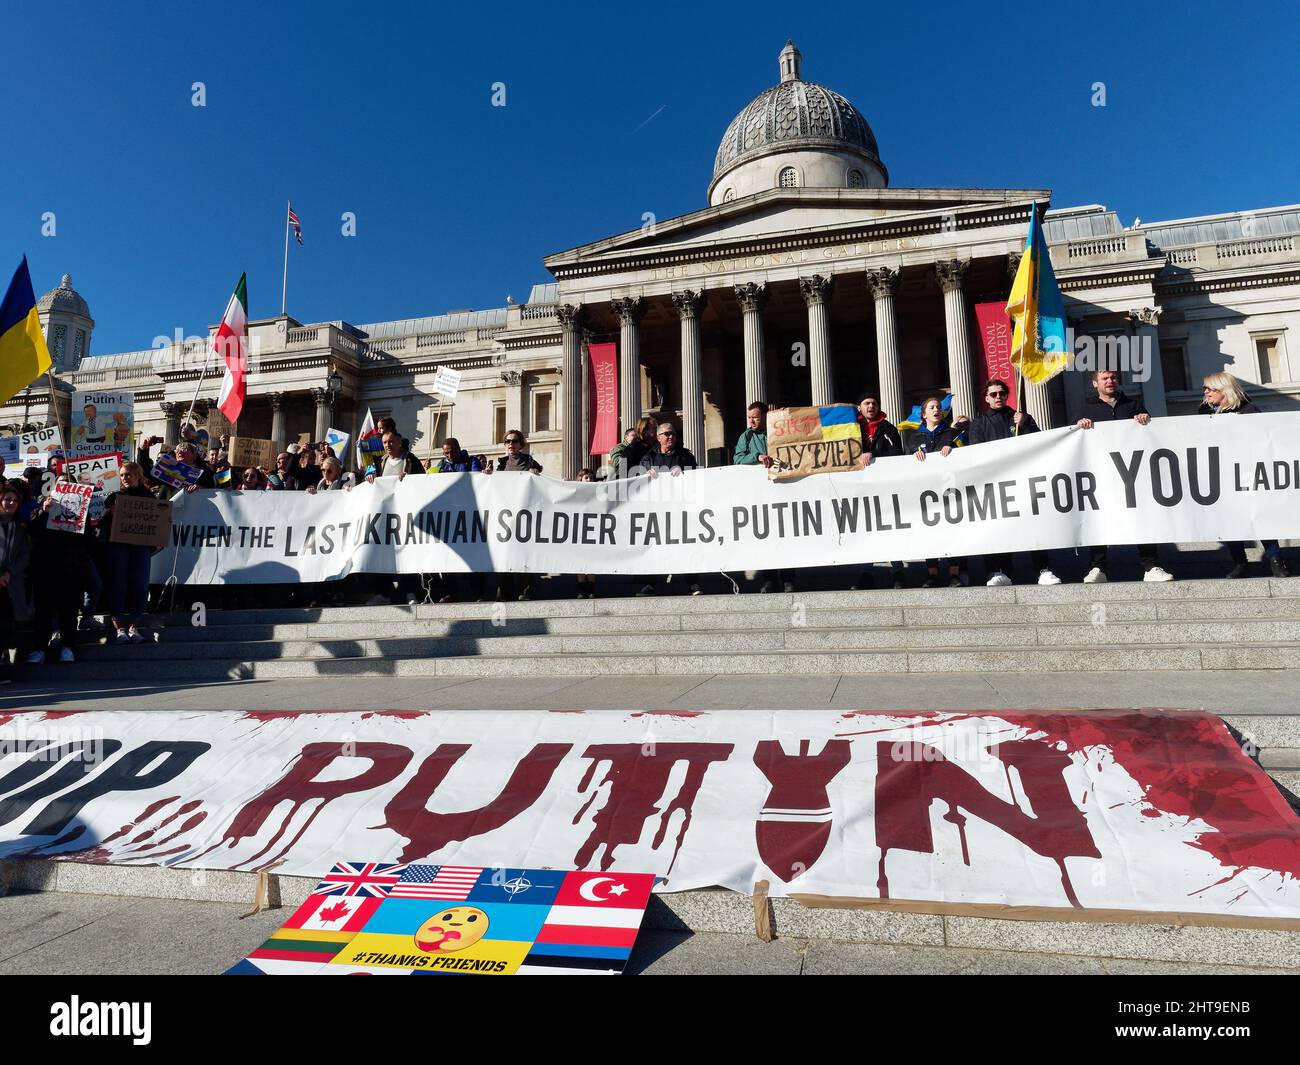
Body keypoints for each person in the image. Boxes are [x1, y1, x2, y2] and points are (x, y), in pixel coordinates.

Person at [1075, 369, 1174, 583]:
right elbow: (1076, 441)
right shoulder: (1086, 409)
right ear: (1095, 384)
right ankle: (1097, 568)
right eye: (1104, 378)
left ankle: (1151, 566)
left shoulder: (1134, 405)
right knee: (1099, 519)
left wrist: (1145, 419)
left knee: (1143, 516)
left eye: (1113, 378)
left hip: (1133, 474)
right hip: (1101, 474)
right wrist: (1080, 427)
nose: (1110, 381)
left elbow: (1150, 435)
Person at [967, 378, 1061, 586]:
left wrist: (1025, 424)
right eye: (993, 394)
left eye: (1001, 393)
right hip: (994, 484)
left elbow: (1039, 443)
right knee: (995, 527)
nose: (998, 397)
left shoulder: (1021, 417)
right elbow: (976, 451)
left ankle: (1043, 570)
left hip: (1022, 481)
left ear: (1007, 395)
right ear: (986, 398)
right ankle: (997, 571)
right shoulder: (979, 423)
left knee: (1032, 524)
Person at [1200, 371, 1289, 578]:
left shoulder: (1249, 411)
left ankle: (1275, 558)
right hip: (1221, 475)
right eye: (1205, 388)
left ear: (1225, 390)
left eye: (1210, 388)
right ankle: (1240, 563)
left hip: (1248, 473)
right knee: (1230, 520)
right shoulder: (1204, 414)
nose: (1206, 392)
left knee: (1259, 515)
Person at [27, 477, 94, 663]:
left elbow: (88, 540)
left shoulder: (83, 511)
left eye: (69, 483)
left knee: (69, 611)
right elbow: (32, 531)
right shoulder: (43, 507)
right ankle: (40, 648)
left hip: (72, 568)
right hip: (46, 569)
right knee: (43, 611)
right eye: (61, 483)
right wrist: (43, 512)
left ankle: (67, 647)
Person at [906, 396, 967, 587]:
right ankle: (932, 574)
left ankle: (954, 574)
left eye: (939, 407)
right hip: (925, 495)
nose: (936, 410)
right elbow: (904, 464)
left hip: (949, 491)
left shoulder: (951, 433)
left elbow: (967, 452)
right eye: (932, 407)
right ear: (924, 415)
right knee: (929, 534)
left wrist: (954, 446)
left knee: (952, 532)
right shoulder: (913, 438)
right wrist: (912, 455)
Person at [733, 402, 793, 594]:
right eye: (749, 416)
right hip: (760, 495)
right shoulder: (746, 436)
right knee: (765, 537)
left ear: (765, 417)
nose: (751, 420)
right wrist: (757, 457)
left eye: (756, 417)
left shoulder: (781, 431)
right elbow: (737, 458)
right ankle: (769, 579)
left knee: (787, 535)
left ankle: (788, 577)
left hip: (785, 490)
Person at [635, 422, 701, 596]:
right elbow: (636, 478)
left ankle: (693, 584)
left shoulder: (685, 456)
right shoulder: (648, 457)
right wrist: (645, 473)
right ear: (658, 437)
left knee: (685, 546)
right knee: (655, 548)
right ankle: (650, 584)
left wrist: (684, 470)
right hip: (657, 510)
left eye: (673, 433)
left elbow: (698, 475)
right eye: (666, 434)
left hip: (681, 510)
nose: (671, 436)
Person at [851, 393, 906, 590]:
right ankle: (867, 573)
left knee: (889, 527)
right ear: (859, 407)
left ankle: (897, 571)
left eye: (874, 403)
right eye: (866, 403)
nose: (871, 406)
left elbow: (898, 453)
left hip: (885, 487)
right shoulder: (851, 428)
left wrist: (873, 455)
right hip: (861, 488)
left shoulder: (887, 427)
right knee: (866, 530)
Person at [99, 461, 157, 645]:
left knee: (140, 586)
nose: (125, 478)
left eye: (128, 474)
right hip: (118, 547)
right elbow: (100, 524)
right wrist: (110, 512)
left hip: (140, 547)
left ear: (138, 476)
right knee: (118, 585)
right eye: (122, 475)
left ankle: (133, 626)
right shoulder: (114, 497)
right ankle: (119, 629)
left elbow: (157, 522)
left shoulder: (149, 497)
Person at [0, 482, 30, 683]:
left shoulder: (19, 528)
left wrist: (9, 573)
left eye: (14, 500)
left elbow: (24, 555)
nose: (11, 503)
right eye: (7, 499)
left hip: (10, 584)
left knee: (5, 626)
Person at [574, 468, 598, 599]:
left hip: (593, 530)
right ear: (580, 480)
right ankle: (582, 590)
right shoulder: (575, 493)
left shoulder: (598, 493)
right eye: (586, 478)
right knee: (580, 562)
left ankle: (591, 590)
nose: (589, 480)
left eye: (591, 478)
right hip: (579, 531)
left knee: (592, 561)